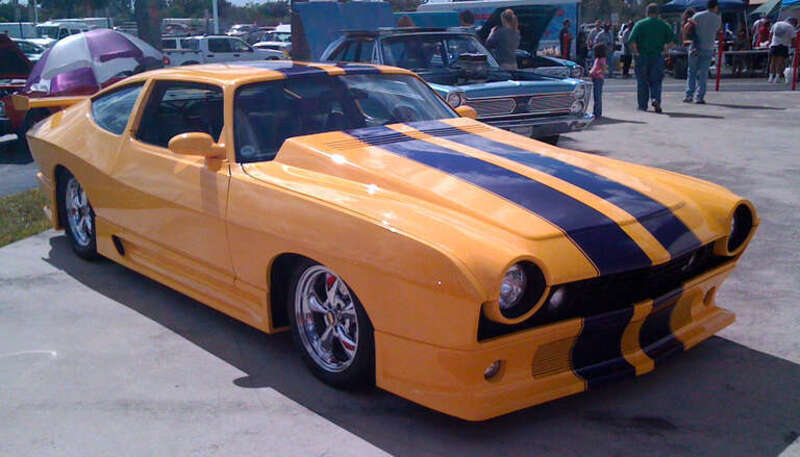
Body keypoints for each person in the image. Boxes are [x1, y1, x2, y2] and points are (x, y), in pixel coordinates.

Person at [628, 3, 677, 112]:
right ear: (657, 13)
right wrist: (665, 50)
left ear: (647, 12)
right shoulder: (663, 24)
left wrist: (636, 53)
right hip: (657, 56)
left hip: (642, 56)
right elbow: (674, 40)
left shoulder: (640, 24)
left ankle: (642, 105)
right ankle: (655, 99)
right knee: (656, 81)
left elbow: (632, 41)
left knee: (642, 82)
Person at [684, 0, 721, 104]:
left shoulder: (697, 16)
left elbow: (688, 28)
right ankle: (699, 97)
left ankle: (689, 95)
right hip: (708, 47)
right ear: (715, 7)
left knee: (691, 72)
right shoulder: (717, 18)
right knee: (703, 74)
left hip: (695, 47)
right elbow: (717, 30)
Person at [768, 17, 798, 83]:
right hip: (783, 45)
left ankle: (770, 77)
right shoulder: (790, 27)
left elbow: (770, 34)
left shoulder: (776, 24)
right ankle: (777, 77)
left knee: (772, 61)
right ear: (793, 22)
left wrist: (770, 43)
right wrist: (793, 46)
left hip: (774, 44)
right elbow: (793, 39)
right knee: (780, 62)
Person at [589, 43, 607, 117]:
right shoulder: (597, 59)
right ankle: (595, 111)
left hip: (598, 78)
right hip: (595, 78)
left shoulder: (601, 59)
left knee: (597, 96)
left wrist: (596, 73)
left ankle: (597, 113)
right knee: (596, 96)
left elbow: (603, 69)